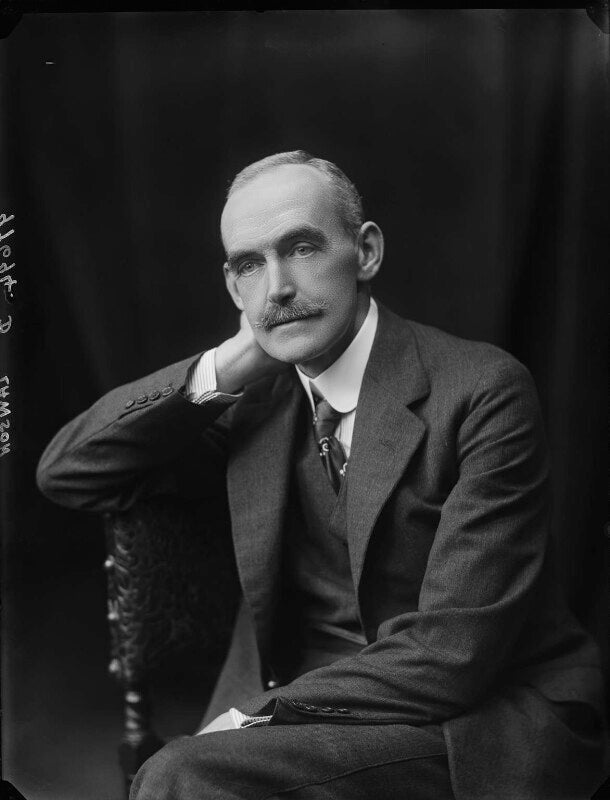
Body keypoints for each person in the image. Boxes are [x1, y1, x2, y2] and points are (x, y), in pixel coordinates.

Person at [37, 151, 606, 800]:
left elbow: (452, 656)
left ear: (366, 252)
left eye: (301, 248)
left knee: (180, 777)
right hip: (308, 710)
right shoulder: (255, 404)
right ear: (234, 290)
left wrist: (252, 719)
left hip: (468, 720)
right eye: (250, 266)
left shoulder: (482, 392)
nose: (277, 288)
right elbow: (69, 471)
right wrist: (228, 363)